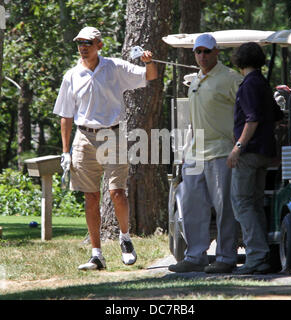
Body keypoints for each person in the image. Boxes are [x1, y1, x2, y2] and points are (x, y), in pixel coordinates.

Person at [53, 26, 157, 270]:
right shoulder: (71, 75)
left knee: (116, 192)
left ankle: (125, 238)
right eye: (79, 43)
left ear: (99, 44)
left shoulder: (115, 67)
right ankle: (97, 255)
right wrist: (65, 151)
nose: (83, 47)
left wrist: (149, 62)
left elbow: (149, 76)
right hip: (83, 138)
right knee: (91, 197)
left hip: (113, 135)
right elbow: (66, 116)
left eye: (88, 42)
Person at [168, 34, 242, 274]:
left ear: (216, 52)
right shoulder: (196, 79)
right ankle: (195, 255)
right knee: (190, 204)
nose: (202, 56)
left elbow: (247, 112)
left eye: (207, 51)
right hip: (195, 153)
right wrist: (185, 150)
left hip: (222, 152)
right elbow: (192, 122)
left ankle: (226, 257)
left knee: (224, 208)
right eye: (198, 52)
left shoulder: (231, 78)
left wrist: (238, 145)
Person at [227, 42, 283, 274]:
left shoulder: (249, 84)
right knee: (255, 203)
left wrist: (238, 146)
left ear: (239, 59)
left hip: (249, 154)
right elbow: (277, 115)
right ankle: (263, 256)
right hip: (264, 153)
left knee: (241, 204)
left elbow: (252, 119)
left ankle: (256, 256)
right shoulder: (262, 82)